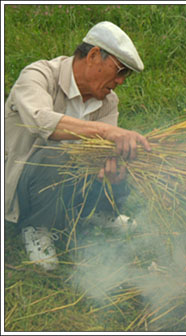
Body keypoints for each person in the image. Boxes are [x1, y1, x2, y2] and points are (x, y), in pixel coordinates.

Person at [4, 21, 152, 270]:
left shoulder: (108, 101)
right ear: (94, 55)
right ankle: (37, 226)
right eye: (120, 71)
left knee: (125, 155)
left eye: (125, 75)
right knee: (59, 153)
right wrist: (106, 131)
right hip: (20, 181)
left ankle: (94, 212)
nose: (121, 81)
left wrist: (113, 171)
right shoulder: (39, 75)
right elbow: (41, 123)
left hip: (68, 182)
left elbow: (104, 152)